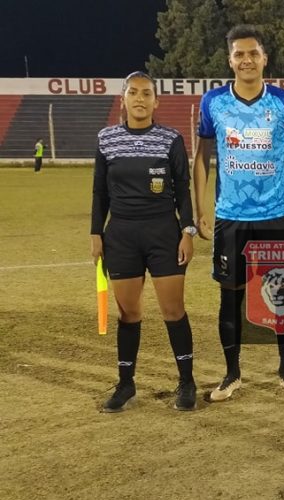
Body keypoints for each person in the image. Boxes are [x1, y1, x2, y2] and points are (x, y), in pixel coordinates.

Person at [193, 25, 284, 401]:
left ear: (264, 58)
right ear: (230, 61)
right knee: (229, 297)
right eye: (239, 54)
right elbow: (201, 158)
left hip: (275, 215)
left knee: (283, 295)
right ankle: (231, 375)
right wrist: (200, 208)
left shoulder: (283, 101)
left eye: (253, 53)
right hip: (230, 216)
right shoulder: (213, 102)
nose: (246, 60)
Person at [91, 71, 197, 412]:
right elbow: (99, 191)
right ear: (123, 99)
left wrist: (188, 231)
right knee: (129, 312)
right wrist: (96, 233)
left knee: (173, 310)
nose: (140, 98)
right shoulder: (107, 139)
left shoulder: (171, 139)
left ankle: (187, 382)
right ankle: (126, 383)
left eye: (146, 93)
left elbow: (183, 189)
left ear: (156, 101)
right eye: (133, 92)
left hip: (163, 234)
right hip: (121, 236)